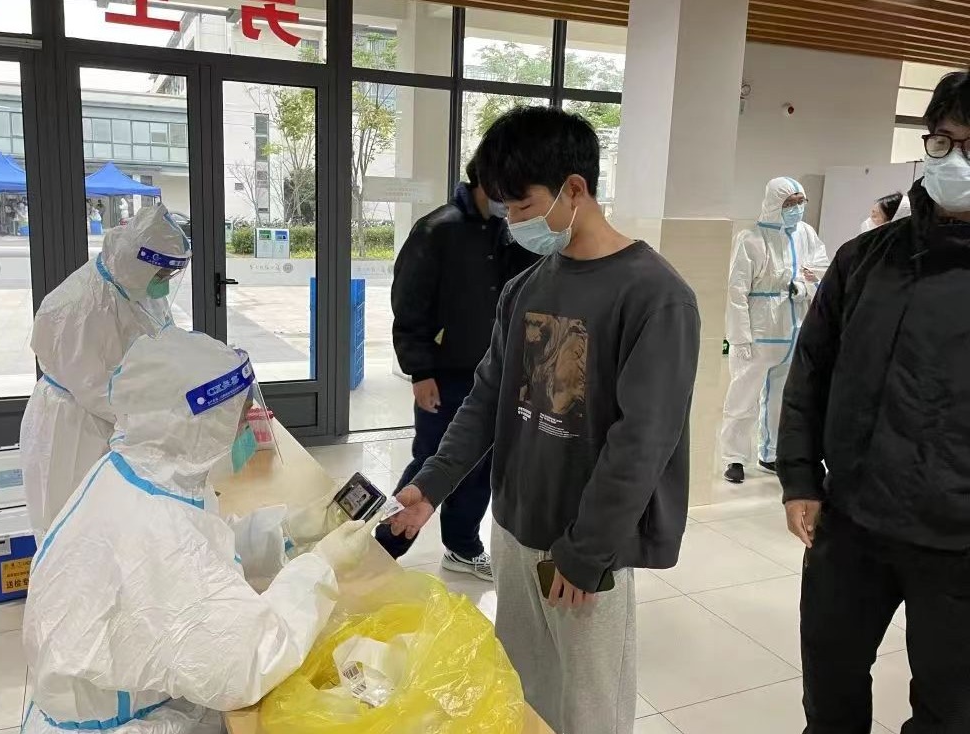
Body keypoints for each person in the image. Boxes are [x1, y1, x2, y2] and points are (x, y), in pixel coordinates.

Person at [386, 106, 700, 734]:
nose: (513, 222)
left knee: (589, 707)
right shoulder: (526, 288)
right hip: (515, 526)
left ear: (574, 189)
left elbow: (641, 444)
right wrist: (432, 483)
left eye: (524, 205)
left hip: (584, 545)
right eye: (505, 208)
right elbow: (487, 399)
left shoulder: (655, 296)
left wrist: (587, 552)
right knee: (525, 691)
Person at [22, 327, 377, 734]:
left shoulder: (141, 471)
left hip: (130, 699)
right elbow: (247, 663)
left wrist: (286, 532)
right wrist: (321, 569)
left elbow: (203, 548)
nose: (248, 427)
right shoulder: (156, 528)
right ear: (197, 426)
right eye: (238, 417)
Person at [778, 71, 970, 733]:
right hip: (853, 521)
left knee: (949, 711)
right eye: (944, 142)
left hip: (957, 542)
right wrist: (800, 478)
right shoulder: (866, 260)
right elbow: (811, 371)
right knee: (829, 690)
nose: (955, 160)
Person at [378, 158, 540, 579]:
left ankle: (463, 547)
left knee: (480, 465)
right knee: (431, 461)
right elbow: (409, 307)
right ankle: (381, 548)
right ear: (489, 179)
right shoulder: (437, 230)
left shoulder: (511, 231)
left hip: (494, 373)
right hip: (444, 373)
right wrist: (420, 372)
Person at [20, 204, 191, 540]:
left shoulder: (137, 286)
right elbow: (96, 388)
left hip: (118, 420)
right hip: (75, 426)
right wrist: (162, 416)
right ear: (141, 261)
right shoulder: (77, 305)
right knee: (73, 524)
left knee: (116, 525)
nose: (164, 283)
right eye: (161, 275)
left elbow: (161, 339)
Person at [719, 177, 829, 484]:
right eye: (790, 203)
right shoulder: (750, 239)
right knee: (743, 397)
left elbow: (822, 270)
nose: (796, 209)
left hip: (793, 330)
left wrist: (803, 286)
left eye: (800, 202)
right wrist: (739, 337)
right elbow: (736, 291)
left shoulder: (806, 234)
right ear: (773, 203)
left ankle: (770, 453)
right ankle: (734, 457)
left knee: (782, 398)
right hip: (758, 334)